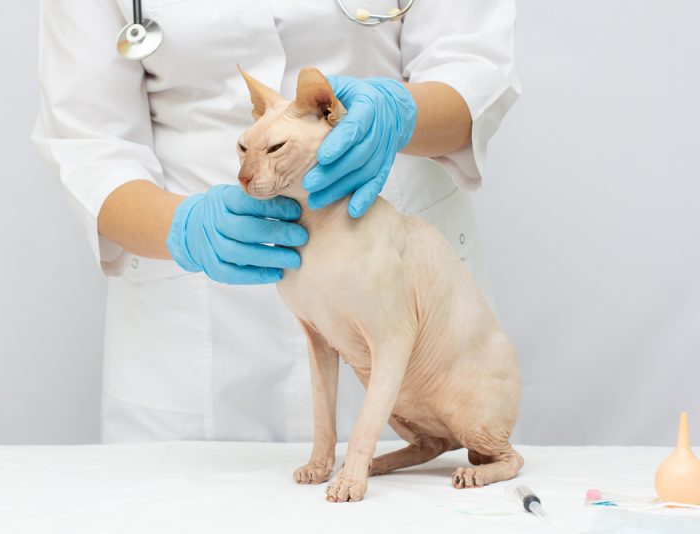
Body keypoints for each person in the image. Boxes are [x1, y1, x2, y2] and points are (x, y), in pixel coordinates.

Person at [33, 0, 520, 443]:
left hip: (399, 277)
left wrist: (400, 112)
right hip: (194, 320)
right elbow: (89, 139)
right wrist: (183, 226)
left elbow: (472, 66)